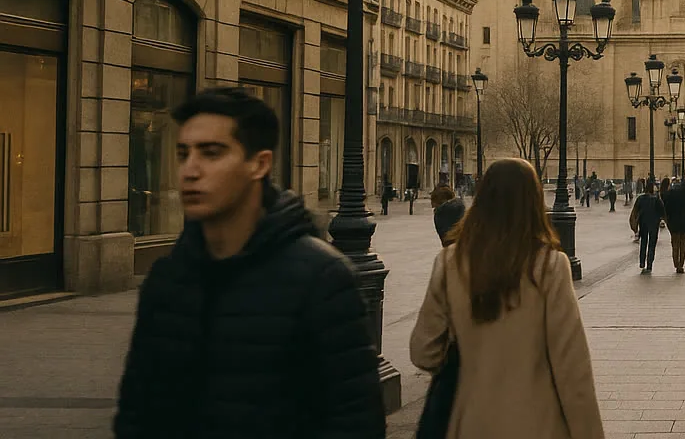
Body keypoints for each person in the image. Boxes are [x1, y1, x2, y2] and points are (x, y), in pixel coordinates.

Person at [113, 88, 383, 437]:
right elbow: (137, 412)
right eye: (183, 154)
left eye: (211, 153)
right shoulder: (169, 278)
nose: (190, 170)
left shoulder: (321, 279)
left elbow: (355, 421)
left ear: (260, 164)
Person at [410, 158, 603, 439]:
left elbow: (423, 351)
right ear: (533, 202)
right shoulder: (549, 266)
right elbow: (572, 371)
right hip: (538, 424)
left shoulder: (451, 262)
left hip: (470, 424)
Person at [661, 173, 685, 272]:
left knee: (675, 243)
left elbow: (665, 207)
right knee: (683, 244)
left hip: (673, 221)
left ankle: (676, 263)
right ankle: (681, 265)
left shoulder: (669, 193)